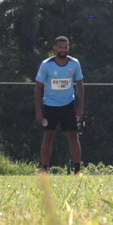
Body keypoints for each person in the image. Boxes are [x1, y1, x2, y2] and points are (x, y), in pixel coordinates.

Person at [34, 36, 86, 173]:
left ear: (68, 48)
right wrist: (38, 110)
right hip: (50, 105)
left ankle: (77, 170)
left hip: (68, 104)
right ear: (55, 48)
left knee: (73, 135)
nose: (63, 50)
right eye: (60, 47)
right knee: (48, 135)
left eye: (65, 47)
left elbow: (80, 85)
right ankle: (44, 168)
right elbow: (38, 87)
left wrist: (80, 107)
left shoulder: (75, 63)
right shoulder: (46, 64)